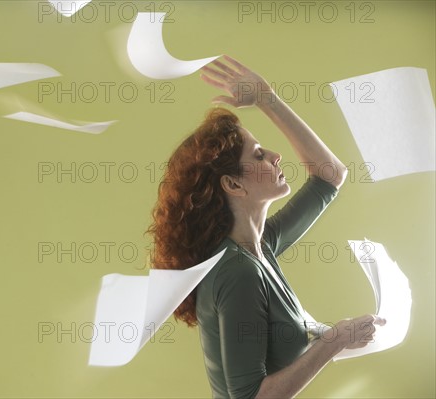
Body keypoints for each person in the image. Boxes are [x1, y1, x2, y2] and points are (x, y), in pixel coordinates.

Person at [146, 56, 386, 399]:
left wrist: (265, 97)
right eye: (258, 155)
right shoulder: (237, 272)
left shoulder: (260, 246)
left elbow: (329, 177)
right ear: (233, 185)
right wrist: (335, 340)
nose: (276, 156)